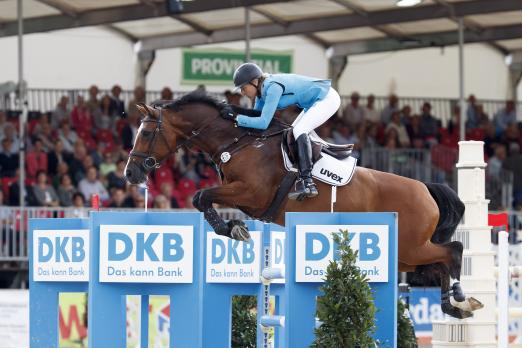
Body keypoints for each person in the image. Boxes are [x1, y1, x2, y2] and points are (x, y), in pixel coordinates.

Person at [230, 63, 340, 200]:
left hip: (327, 98)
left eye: (243, 88)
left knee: (299, 131)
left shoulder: (272, 87)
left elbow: (263, 123)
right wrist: (233, 111)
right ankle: (301, 177)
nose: (242, 92)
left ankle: (307, 181)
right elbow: (254, 116)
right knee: (291, 133)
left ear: (254, 82)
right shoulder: (261, 94)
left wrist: (235, 118)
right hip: (314, 102)